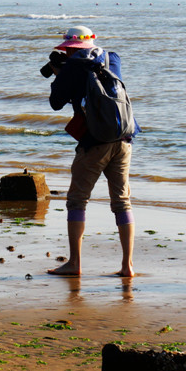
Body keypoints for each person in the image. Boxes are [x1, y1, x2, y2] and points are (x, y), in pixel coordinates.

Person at [43, 26, 137, 277]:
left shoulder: (72, 68)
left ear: (69, 48)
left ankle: (74, 263)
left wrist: (59, 74)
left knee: (77, 200)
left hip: (94, 142)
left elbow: (55, 103)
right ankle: (127, 266)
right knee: (121, 202)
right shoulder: (111, 58)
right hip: (124, 139)